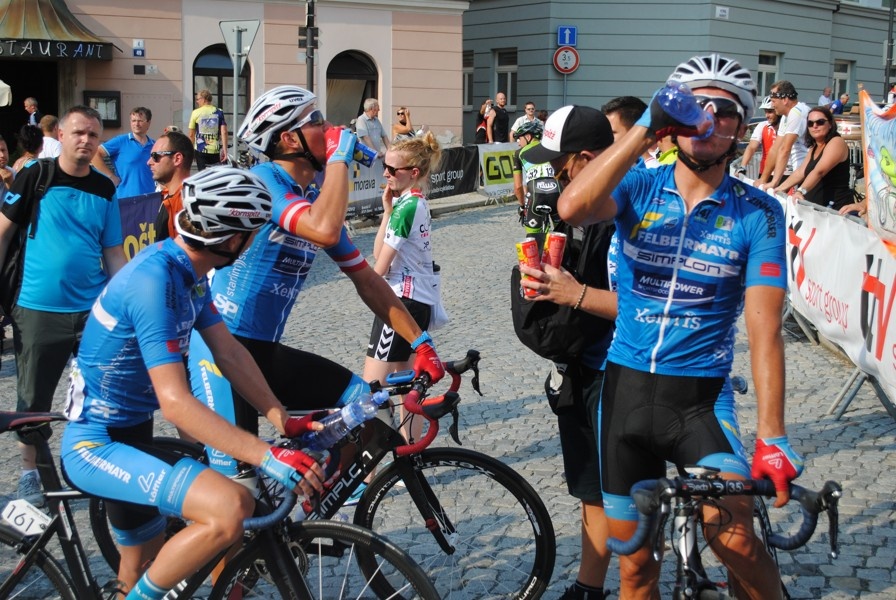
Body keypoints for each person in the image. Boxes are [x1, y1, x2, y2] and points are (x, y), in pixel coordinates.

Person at [557, 54, 802, 600]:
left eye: (724, 111)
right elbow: (573, 206)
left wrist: (773, 436)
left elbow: (765, 328)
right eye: (695, 108)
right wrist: (646, 126)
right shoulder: (639, 186)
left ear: (742, 127)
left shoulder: (759, 213)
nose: (707, 121)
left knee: (735, 543)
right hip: (625, 394)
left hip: (699, 400)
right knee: (635, 568)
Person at [60, 167, 327, 600]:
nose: (255, 242)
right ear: (232, 240)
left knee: (139, 567)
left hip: (132, 435)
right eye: (254, 233)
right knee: (230, 509)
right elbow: (175, 403)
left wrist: (281, 418)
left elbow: (229, 352)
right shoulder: (155, 282)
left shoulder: (185, 271)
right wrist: (266, 454)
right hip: (96, 444)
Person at [187, 86, 444, 490]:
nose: (330, 129)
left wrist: (421, 342)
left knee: (366, 408)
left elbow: (367, 280)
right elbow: (322, 229)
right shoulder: (264, 182)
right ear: (290, 139)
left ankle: (313, 513)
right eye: (317, 122)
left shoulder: (310, 197)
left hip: (261, 351)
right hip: (220, 350)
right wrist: (340, 157)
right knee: (237, 498)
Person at [0, 105, 128, 507]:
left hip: (93, 311)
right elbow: (2, 233)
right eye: (78, 133)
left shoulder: (105, 189)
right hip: (37, 308)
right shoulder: (35, 175)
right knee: (33, 399)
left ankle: (94, 465)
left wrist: (125, 304)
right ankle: (30, 474)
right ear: (61, 136)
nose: (86, 141)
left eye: (93, 135)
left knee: (102, 392)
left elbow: (113, 252)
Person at [517, 104, 618, 600]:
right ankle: (588, 586)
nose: (551, 176)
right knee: (590, 487)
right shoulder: (570, 208)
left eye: (558, 165)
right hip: (580, 366)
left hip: (621, 371)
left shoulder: (624, 213)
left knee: (626, 495)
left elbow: (652, 306)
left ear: (585, 160)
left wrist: (572, 294)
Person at [362, 132, 443, 444]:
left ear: (413, 173)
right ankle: (412, 453)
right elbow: (378, 252)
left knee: (370, 389)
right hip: (415, 302)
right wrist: (386, 211)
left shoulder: (408, 207)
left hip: (400, 303)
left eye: (392, 169)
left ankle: (374, 462)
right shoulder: (411, 203)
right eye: (385, 167)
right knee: (407, 386)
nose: (385, 174)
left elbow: (379, 268)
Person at [774, 105, 852, 210]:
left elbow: (819, 171)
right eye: (810, 123)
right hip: (816, 211)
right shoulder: (815, 147)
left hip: (835, 211)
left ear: (830, 124)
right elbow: (800, 172)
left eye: (820, 122)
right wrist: (779, 188)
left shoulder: (836, 142)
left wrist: (800, 191)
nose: (815, 126)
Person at [756, 80, 810, 191]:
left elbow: (785, 149)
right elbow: (775, 148)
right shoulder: (786, 115)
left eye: (773, 101)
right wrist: (763, 179)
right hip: (801, 171)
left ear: (785, 100)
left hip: (810, 172)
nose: (772, 105)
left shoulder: (796, 112)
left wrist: (774, 182)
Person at [91, 107, 156, 197]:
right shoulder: (121, 141)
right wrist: (110, 176)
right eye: (133, 121)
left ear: (148, 123)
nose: (136, 124)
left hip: (150, 199)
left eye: (140, 121)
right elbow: (94, 154)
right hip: (126, 199)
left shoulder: (155, 146)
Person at [149, 130, 194, 241]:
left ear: (177, 159)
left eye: (155, 156)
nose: (149, 162)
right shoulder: (168, 196)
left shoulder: (188, 203)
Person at [510, 120, 553, 229]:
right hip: (556, 192)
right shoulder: (551, 148)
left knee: (533, 235)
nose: (518, 143)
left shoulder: (518, 153)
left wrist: (522, 206)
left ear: (528, 137)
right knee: (563, 234)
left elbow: (518, 187)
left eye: (519, 138)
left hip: (535, 195)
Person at [736, 95, 779, 178]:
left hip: (786, 173)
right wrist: (742, 166)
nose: (767, 115)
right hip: (766, 172)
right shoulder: (762, 126)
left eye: (770, 112)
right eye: (765, 112)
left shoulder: (788, 126)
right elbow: (751, 147)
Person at [188, 89, 228, 170]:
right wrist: (225, 150)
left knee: (203, 175)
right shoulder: (219, 112)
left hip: (200, 149)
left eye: (198, 99)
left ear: (204, 99)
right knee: (214, 175)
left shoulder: (195, 112)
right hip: (215, 150)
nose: (197, 101)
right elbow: (224, 132)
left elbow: (191, 134)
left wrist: (191, 151)